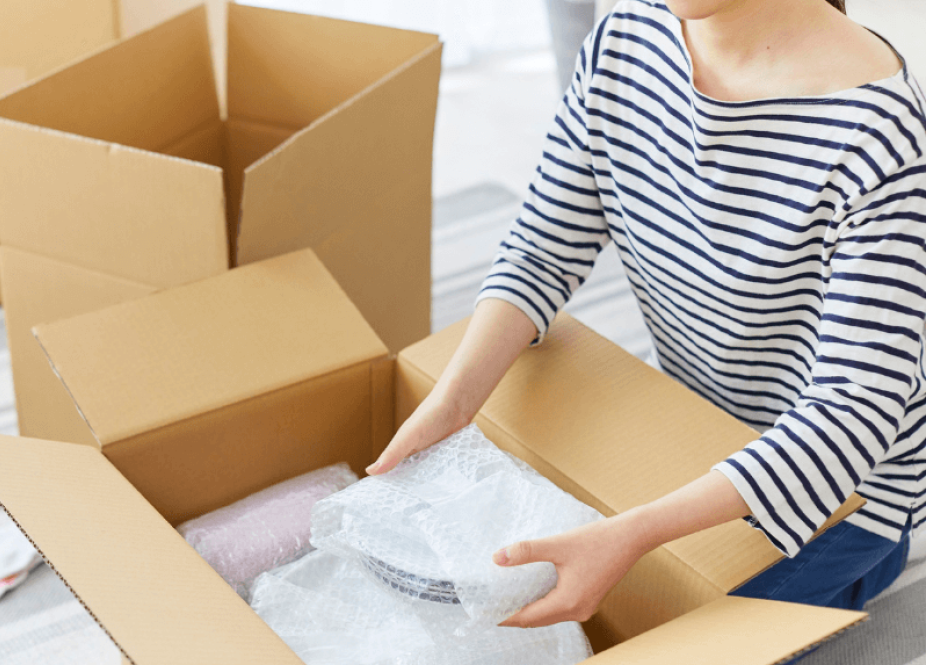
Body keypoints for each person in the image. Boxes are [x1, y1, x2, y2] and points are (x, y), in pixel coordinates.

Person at [368, 0, 925, 631]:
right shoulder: (626, 41)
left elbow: (850, 415)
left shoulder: (881, 136)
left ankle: (861, 574)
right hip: (689, 428)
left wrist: (632, 536)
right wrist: (450, 406)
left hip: (840, 494)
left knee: (647, 630)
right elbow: (542, 247)